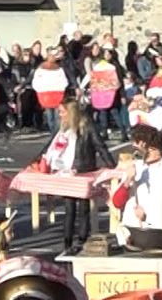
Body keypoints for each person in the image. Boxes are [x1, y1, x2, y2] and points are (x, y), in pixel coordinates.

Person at [32, 101, 112, 253]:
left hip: (83, 170)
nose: (60, 115)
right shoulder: (63, 128)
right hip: (66, 172)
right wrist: (36, 160)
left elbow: (100, 146)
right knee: (69, 209)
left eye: (62, 112)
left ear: (71, 113)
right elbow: (49, 146)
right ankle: (67, 242)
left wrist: (112, 166)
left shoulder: (87, 126)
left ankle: (82, 239)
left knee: (83, 208)